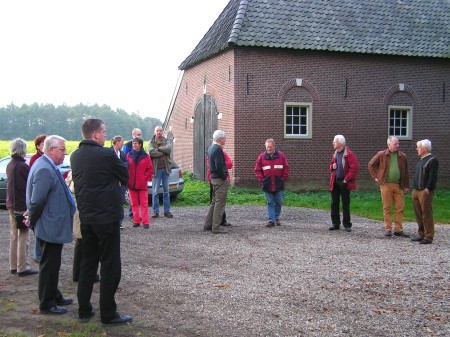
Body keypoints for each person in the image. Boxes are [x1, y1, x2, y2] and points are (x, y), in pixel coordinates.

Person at [70, 118, 132, 325]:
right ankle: (108, 313)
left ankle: (84, 310)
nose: (106, 135)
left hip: (87, 217)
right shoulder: (106, 154)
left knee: (87, 264)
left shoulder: (76, 156)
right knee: (110, 266)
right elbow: (126, 176)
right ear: (95, 134)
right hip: (106, 218)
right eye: (104, 132)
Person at [26, 135, 75, 315]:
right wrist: (32, 220)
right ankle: (47, 303)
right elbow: (36, 201)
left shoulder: (46, 165)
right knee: (49, 265)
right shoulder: (44, 168)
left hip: (50, 225)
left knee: (52, 263)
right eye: (62, 149)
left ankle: (54, 294)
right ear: (51, 150)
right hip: (49, 226)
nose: (64, 153)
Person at [6, 138, 37, 276]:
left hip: (11, 203)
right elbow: (29, 186)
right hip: (21, 205)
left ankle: (13, 265)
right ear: (22, 149)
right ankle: (22, 267)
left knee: (14, 236)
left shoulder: (10, 164)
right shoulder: (23, 166)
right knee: (24, 235)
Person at [368, 136, 410, 237]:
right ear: (389, 144)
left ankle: (398, 229)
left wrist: (406, 186)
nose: (397, 146)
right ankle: (388, 228)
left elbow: (406, 172)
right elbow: (371, 164)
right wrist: (376, 177)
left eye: (398, 144)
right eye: (395, 144)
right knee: (387, 207)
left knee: (400, 207)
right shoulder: (382, 154)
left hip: (399, 185)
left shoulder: (402, 156)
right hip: (386, 184)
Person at [65, 170, 100, 283]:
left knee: (81, 243)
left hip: (79, 210)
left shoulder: (73, 172)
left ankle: (79, 273)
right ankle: (83, 274)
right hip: (81, 211)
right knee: (84, 244)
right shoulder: (79, 173)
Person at [254, 139, 290, 227]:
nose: (269, 149)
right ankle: (271, 220)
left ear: (274, 146)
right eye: (267, 147)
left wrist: (283, 178)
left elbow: (286, 167)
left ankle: (276, 217)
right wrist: (262, 179)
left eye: (270, 147)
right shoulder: (261, 157)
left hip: (278, 183)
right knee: (270, 202)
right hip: (267, 183)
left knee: (278, 202)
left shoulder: (281, 156)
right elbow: (257, 169)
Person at [411, 139, 439, 245]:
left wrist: (428, 188)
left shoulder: (432, 160)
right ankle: (421, 233)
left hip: (425, 190)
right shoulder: (421, 160)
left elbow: (433, 176)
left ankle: (428, 236)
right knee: (418, 213)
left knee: (426, 213)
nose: (417, 149)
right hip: (416, 190)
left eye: (419, 147)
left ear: (425, 148)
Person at [329, 135, 359, 232]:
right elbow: (331, 166)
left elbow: (354, 168)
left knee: (345, 204)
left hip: (344, 182)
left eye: (335, 142)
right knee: (334, 203)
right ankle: (335, 223)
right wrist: (332, 167)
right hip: (335, 181)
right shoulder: (335, 153)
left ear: (340, 143)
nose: (333, 143)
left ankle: (347, 224)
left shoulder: (349, 154)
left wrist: (346, 180)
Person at [204, 130, 229, 234]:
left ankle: (208, 224)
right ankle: (216, 227)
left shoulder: (210, 148)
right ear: (220, 139)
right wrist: (224, 177)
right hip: (219, 179)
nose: (225, 139)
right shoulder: (218, 149)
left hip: (213, 178)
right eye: (224, 137)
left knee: (214, 202)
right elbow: (219, 166)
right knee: (219, 203)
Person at [126, 138, 154, 229]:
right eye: (133, 143)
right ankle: (136, 221)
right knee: (133, 204)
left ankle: (145, 222)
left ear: (140, 145)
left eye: (136, 143)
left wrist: (144, 178)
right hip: (132, 184)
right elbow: (126, 168)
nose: (134, 145)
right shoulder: (128, 155)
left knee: (144, 204)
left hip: (142, 184)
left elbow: (150, 170)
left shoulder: (146, 156)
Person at [29, 134, 47, 263]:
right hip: (38, 196)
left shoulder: (44, 158)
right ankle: (38, 253)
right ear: (38, 146)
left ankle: (40, 252)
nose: (45, 146)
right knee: (39, 227)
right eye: (43, 144)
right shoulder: (36, 159)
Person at [149, 126, 173, 218]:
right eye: (157, 131)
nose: (159, 132)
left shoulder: (166, 140)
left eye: (160, 131)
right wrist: (163, 151)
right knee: (155, 192)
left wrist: (159, 149)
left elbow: (169, 149)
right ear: (155, 132)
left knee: (166, 191)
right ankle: (156, 212)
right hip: (156, 170)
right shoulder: (151, 142)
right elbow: (151, 152)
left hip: (165, 169)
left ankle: (167, 211)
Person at [207, 149, 233, 226]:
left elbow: (230, 164)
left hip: (222, 179)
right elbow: (211, 166)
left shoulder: (223, 153)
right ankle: (215, 222)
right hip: (214, 180)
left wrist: (221, 163)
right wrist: (222, 164)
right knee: (215, 201)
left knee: (220, 201)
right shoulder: (211, 153)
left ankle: (221, 220)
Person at [122, 128, 142, 218]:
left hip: (138, 173)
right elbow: (125, 159)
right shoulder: (127, 145)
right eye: (137, 135)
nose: (138, 136)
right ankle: (131, 213)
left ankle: (135, 214)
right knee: (132, 194)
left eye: (140, 135)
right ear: (133, 135)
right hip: (130, 173)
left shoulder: (140, 144)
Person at [110, 136, 129, 229]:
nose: (123, 144)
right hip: (111, 183)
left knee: (120, 202)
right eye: (122, 142)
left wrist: (119, 165)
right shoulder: (108, 152)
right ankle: (111, 222)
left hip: (121, 183)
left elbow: (127, 163)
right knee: (111, 202)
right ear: (117, 142)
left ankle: (119, 222)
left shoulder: (122, 153)